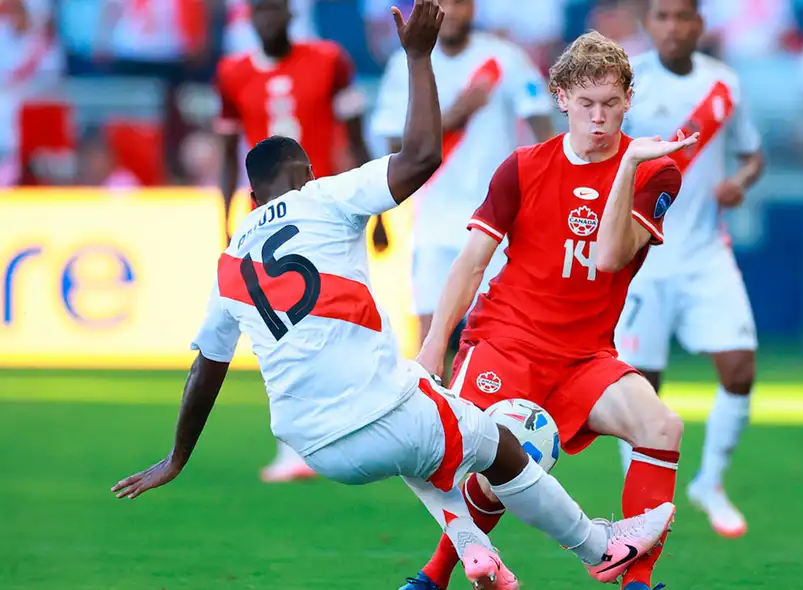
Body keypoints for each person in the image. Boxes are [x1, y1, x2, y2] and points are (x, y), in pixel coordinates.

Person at [111, 6, 673, 589]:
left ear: (253, 196)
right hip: (384, 400)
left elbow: (207, 366)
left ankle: (468, 556)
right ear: (307, 171)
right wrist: (417, 57)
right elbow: (420, 157)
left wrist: (176, 457)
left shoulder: (231, 257)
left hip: (310, 444)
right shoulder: (325, 196)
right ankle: (597, 543)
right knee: (490, 444)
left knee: (429, 432)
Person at [401, 31, 698, 590]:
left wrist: (627, 165)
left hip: (586, 356)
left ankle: (635, 582)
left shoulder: (656, 171)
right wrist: (433, 344)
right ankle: (435, 576)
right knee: (487, 468)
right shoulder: (521, 167)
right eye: (586, 104)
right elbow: (470, 264)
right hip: (506, 342)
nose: (599, 118)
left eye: (611, 104)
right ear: (561, 96)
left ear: (629, 100)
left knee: (662, 426)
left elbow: (610, 256)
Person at [614, 0, 765, 540]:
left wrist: (740, 183)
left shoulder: (724, 83)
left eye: (683, 16)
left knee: (740, 370)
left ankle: (710, 481)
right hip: (643, 258)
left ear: (700, 23)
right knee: (640, 393)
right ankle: (640, 513)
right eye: (662, 16)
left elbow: (752, 153)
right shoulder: (626, 80)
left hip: (706, 254)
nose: (673, 27)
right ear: (647, 23)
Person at [214, 0, 381, 482]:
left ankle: (358, 428)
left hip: (328, 210)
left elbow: (355, 134)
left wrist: (379, 213)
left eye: (275, 9)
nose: (267, 18)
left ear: (290, 14)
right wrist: (222, 217)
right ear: (249, 20)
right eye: (259, 11)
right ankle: (292, 448)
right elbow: (228, 152)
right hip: (263, 223)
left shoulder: (329, 60)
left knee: (345, 321)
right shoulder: (231, 73)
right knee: (278, 334)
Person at [371, 0, 556, 353]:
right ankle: (433, 409)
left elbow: (543, 130)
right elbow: (395, 143)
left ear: (473, 8)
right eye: (444, 4)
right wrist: (454, 114)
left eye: (460, 3)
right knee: (430, 339)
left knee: (496, 338)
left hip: (495, 223)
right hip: (432, 219)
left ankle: (490, 409)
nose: (452, 12)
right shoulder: (406, 63)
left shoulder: (506, 58)